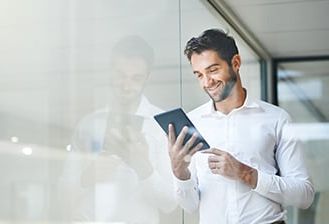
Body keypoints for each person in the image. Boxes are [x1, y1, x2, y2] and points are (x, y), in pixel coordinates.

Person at [167, 29, 314, 224]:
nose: (207, 82)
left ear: (235, 63)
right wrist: (180, 173)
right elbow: (191, 206)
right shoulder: (193, 123)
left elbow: (304, 195)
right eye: (199, 75)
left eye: (213, 70)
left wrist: (246, 173)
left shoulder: (276, 119)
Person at [70, 35, 177, 223]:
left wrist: (144, 168)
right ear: (110, 72)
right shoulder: (88, 124)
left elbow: (170, 204)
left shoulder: (162, 127)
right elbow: (64, 191)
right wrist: (88, 177)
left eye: (136, 78)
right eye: (120, 75)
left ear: (148, 78)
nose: (127, 86)